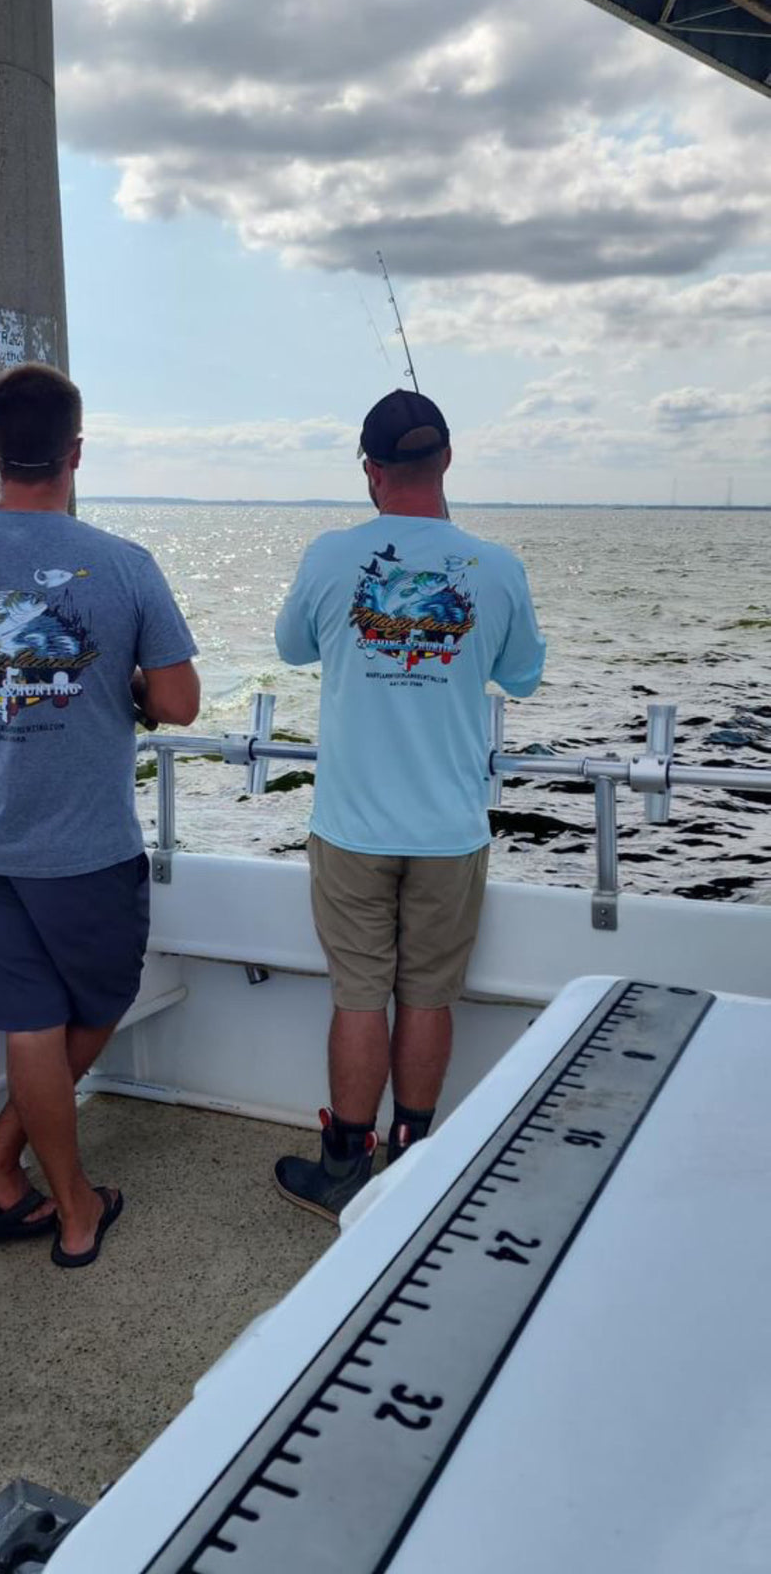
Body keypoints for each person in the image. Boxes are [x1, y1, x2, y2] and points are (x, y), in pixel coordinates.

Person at [0, 362, 199, 1268]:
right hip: (86, 844)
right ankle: (74, 1212)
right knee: (101, 999)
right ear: (76, 452)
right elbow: (179, 704)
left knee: (31, 1022)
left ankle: (0, 1168)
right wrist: (118, 686)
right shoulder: (124, 564)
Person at [273, 388, 545, 1221]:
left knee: (360, 993)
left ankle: (344, 1168)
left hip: (351, 827)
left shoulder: (329, 555)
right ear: (447, 460)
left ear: (370, 470)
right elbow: (523, 676)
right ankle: (414, 1166)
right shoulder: (496, 566)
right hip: (449, 829)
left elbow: (291, 648)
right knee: (427, 995)